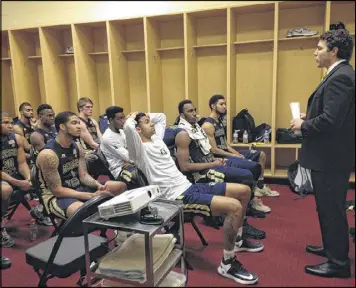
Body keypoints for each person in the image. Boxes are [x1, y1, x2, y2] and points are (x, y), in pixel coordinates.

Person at [124, 111, 262, 285]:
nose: (151, 124)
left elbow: (161, 117)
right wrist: (131, 117)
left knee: (243, 191)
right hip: (176, 197)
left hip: (189, 186)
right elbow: (128, 130)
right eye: (146, 122)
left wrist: (144, 114)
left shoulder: (157, 139)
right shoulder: (139, 151)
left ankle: (238, 240)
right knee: (234, 207)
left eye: (149, 121)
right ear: (137, 129)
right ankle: (227, 263)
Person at [290, 22, 354, 278]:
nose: (315, 52)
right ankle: (332, 248)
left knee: (332, 210)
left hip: (331, 158)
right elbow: (334, 115)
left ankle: (338, 263)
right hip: (331, 157)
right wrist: (311, 116)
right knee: (329, 208)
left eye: (319, 48)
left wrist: (303, 124)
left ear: (334, 51)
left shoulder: (340, 78)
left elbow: (330, 122)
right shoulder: (341, 74)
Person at [172, 100, 266, 239]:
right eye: (189, 111)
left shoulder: (196, 127)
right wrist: (212, 164)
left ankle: (244, 209)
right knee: (245, 176)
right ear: (181, 115)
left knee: (253, 168)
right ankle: (241, 222)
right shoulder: (183, 134)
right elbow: (185, 166)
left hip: (212, 162)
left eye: (194, 110)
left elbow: (209, 151)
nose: (194, 113)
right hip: (202, 172)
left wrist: (218, 160)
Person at [36, 111, 126, 219]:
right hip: (57, 197)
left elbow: (83, 176)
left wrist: (98, 186)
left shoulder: (77, 146)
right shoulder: (48, 155)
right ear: (62, 127)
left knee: (120, 186)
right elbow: (57, 191)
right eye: (74, 123)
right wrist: (91, 196)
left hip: (79, 187)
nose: (79, 126)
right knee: (84, 212)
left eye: (79, 123)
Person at [100, 106, 136, 184]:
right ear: (111, 120)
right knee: (143, 172)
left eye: (124, 118)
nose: (123, 121)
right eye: (119, 119)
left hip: (129, 165)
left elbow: (133, 149)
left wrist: (132, 162)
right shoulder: (108, 137)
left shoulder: (122, 131)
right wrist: (133, 162)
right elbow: (129, 157)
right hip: (119, 170)